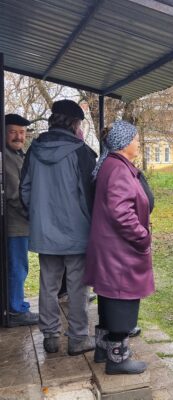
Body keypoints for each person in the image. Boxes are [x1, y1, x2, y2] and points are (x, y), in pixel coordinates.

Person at [20, 100, 96, 355]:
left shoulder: (34, 149)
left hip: (45, 231)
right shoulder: (81, 152)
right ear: (75, 124)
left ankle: (50, 337)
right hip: (77, 232)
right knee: (77, 287)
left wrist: (40, 217)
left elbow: (25, 190)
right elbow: (90, 195)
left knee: (48, 285)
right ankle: (78, 338)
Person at [84, 120, 155, 375]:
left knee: (110, 298)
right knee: (122, 301)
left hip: (111, 249)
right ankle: (118, 360)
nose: (138, 143)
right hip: (120, 251)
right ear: (125, 143)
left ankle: (103, 349)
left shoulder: (112, 164)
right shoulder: (118, 169)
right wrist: (142, 236)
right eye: (136, 138)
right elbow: (121, 212)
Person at [4, 114, 39, 327]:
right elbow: (14, 194)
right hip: (15, 224)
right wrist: (33, 213)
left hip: (21, 223)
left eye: (22, 132)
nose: (19, 136)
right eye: (13, 131)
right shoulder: (7, 158)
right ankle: (16, 310)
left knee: (19, 266)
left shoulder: (18, 154)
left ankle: (16, 306)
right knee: (17, 267)